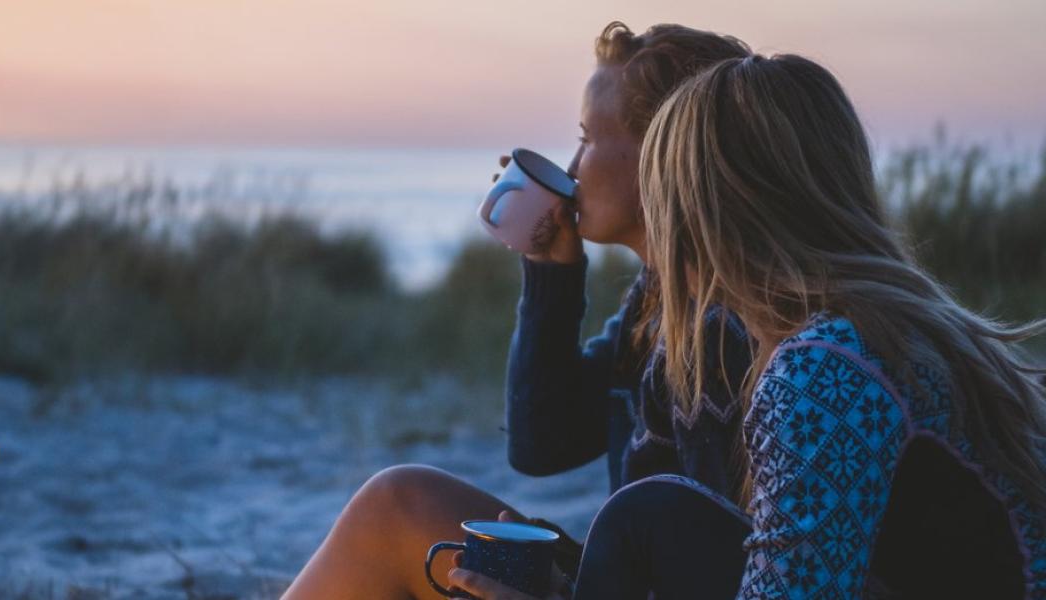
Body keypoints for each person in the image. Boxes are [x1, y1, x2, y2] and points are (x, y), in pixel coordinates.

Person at [447, 53, 1046, 599]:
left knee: (641, 517)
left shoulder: (825, 368)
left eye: (665, 198)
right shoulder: (893, 325)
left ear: (704, 211)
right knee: (652, 515)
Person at [281, 22, 752, 600]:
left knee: (395, 507)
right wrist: (551, 271)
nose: (573, 166)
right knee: (397, 502)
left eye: (588, 137)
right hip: (624, 576)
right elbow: (541, 443)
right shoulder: (657, 301)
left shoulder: (734, 328)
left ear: (663, 150)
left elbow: (735, 571)